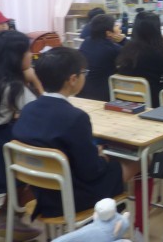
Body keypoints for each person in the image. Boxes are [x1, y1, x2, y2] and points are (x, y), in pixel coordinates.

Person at [12, 47, 139, 223]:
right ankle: (131, 225)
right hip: (72, 198)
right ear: (72, 79)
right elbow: (92, 172)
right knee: (138, 160)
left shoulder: (27, 109)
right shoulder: (76, 117)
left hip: (43, 194)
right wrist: (101, 157)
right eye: (83, 73)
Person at [0, 31, 41, 241]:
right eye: (28, 51)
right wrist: (35, 80)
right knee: (35, 170)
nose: (31, 56)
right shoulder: (14, 87)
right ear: (15, 57)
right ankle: (10, 216)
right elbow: (41, 110)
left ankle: (8, 216)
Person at [116, 11, 163, 108]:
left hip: (127, 101)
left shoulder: (126, 49)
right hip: (153, 103)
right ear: (156, 29)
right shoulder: (156, 53)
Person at [78, 14, 127, 101]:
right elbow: (131, 55)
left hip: (82, 90)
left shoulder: (87, 41)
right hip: (102, 95)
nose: (119, 27)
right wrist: (123, 40)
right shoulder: (112, 48)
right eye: (115, 25)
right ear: (108, 33)